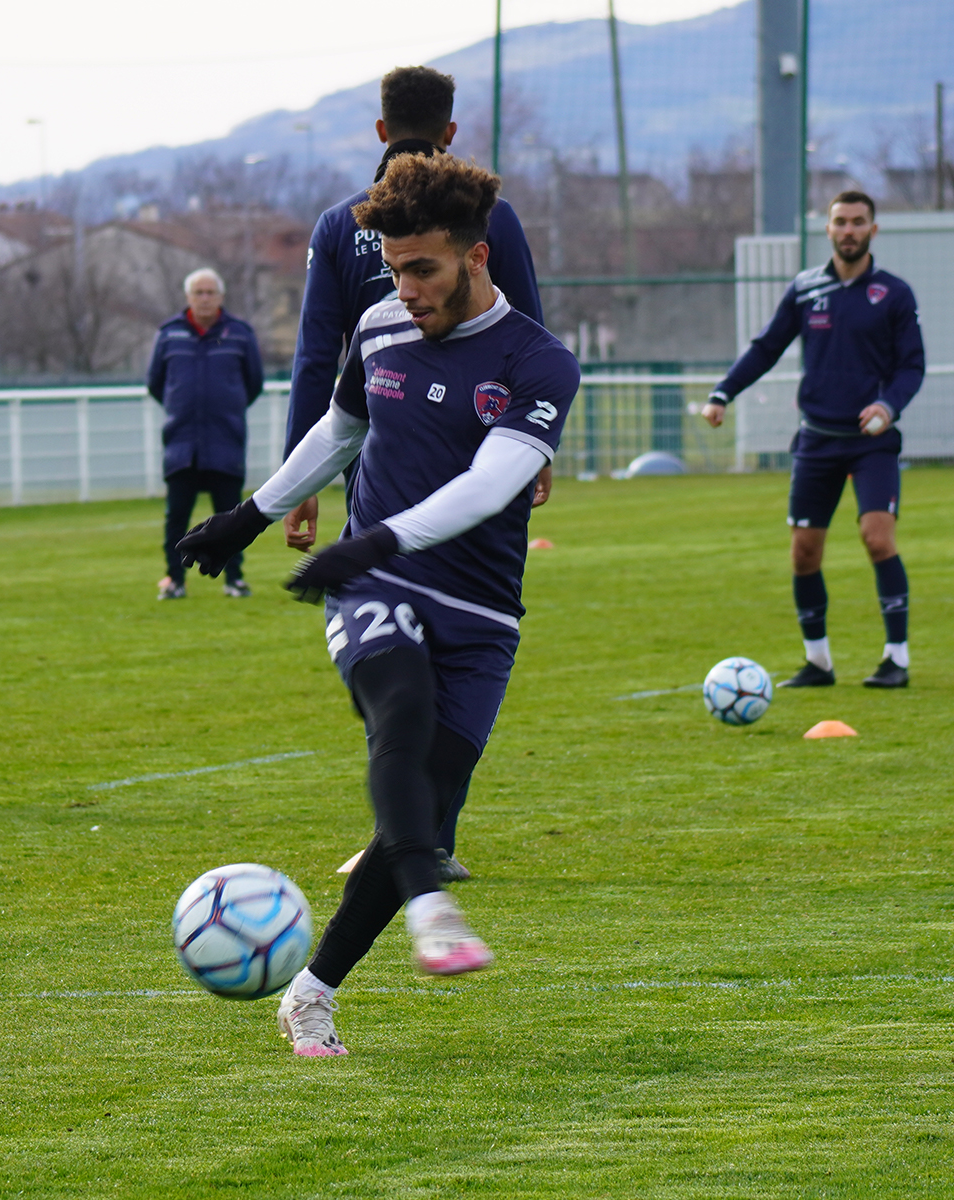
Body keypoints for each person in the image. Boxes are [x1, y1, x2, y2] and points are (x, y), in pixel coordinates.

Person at [177, 154, 580, 1056]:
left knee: (427, 805)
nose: (406, 289)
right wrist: (248, 515)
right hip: (378, 585)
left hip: (479, 609)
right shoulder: (381, 325)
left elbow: (493, 483)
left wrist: (374, 537)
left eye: (423, 270)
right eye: (394, 269)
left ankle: (310, 992)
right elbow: (342, 428)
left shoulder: (538, 361)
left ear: (478, 258)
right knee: (398, 708)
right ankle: (431, 904)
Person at [283, 64, 549, 878]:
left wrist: (301, 488)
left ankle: (411, 832)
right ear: (452, 134)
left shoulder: (337, 224)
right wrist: (540, 443)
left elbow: (313, 354)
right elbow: (531, 321)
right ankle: (425, 831)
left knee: (392, 627)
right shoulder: (491, 217)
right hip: (474, 436)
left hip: (385, 446)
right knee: (433, 623)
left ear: (378, 129)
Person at [703, 191, 924, 688]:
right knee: (804, 552)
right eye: (840, 222)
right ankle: (818, 662)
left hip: (871, 443)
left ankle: (897, 659)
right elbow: (766, 348)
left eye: (858, 222)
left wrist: (888, 406)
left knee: (877, 537)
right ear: (827, 229)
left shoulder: (894, 294)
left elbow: (913, 366)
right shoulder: (806, 289)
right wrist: (723, 393)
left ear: (873, 229)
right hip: (817, 440)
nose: (849, 230)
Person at [147, 268, 264, 600]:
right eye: (198, 292)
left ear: (221, 297)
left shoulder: (239, 334)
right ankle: (175, 580)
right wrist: (180, 409)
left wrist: (227, 408)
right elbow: (156, 383)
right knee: (176, 517)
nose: (204, 298)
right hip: (181, 443)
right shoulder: (169, 334)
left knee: (233, 516)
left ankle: (234, 579)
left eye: (210, 292)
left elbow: (252, 384)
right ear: (188, 297)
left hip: (225, 441)